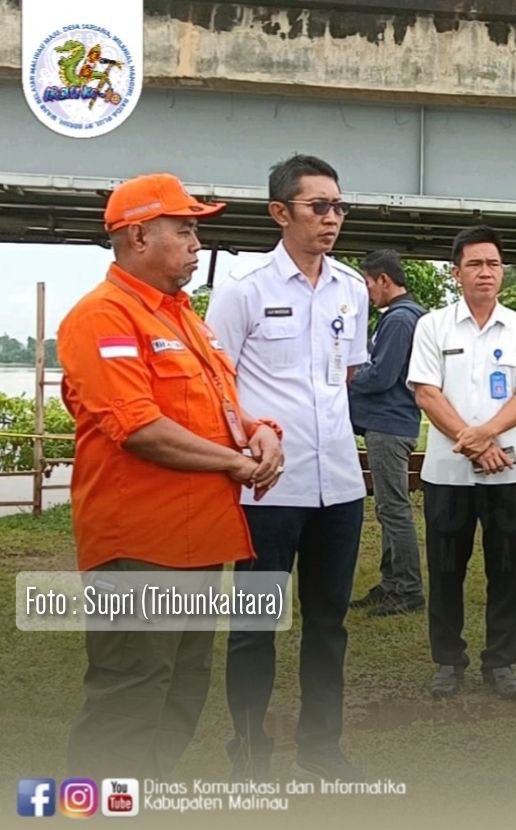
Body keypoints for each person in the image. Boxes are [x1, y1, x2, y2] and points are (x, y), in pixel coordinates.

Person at [58, 173, 284, 779]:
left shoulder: (186, 318)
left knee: (181, 690)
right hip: (141, 546)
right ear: (136, 236)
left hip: (198, 541)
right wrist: (239, 463)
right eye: (183, 229)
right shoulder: (102, 317)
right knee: (131, 694)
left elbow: (218, 407)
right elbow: (140, 428)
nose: (195, 242)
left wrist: (261, 431)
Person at [206, 154, 370, 779]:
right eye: (318, 207)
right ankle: (248, 751)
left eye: (339, 207)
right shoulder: (244, 292)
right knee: (255, 627)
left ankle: (321, 750)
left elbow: (344, 373)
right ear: (280, 212)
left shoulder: (351, 288)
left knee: (329, 625)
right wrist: (248, 441)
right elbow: (218, 386)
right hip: (268, 490)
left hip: (339, 486)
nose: (332, 219)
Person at [408, 226, 516, 700]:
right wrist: (473, 444)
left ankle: (501, 662)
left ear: (501, 271)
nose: (485, 272)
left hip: (507, 470)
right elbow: (427, 392)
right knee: (446, 567)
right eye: (475, 264)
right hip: (448, 474)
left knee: (506, 568)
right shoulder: (432, 326)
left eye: (493, 264)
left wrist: (485, 435)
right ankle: (449, 660)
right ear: (456, 273)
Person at [349, 249, 428, 617]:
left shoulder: (399, 320)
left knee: (394, 508)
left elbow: (382, 375)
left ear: (384, 279)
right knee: (388, 507)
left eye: (368, 283)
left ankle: (407, 589)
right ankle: (393, 582)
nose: (367, 292)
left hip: (390, 424)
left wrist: (348, 378)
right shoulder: (405, 316)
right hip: (391, 423)